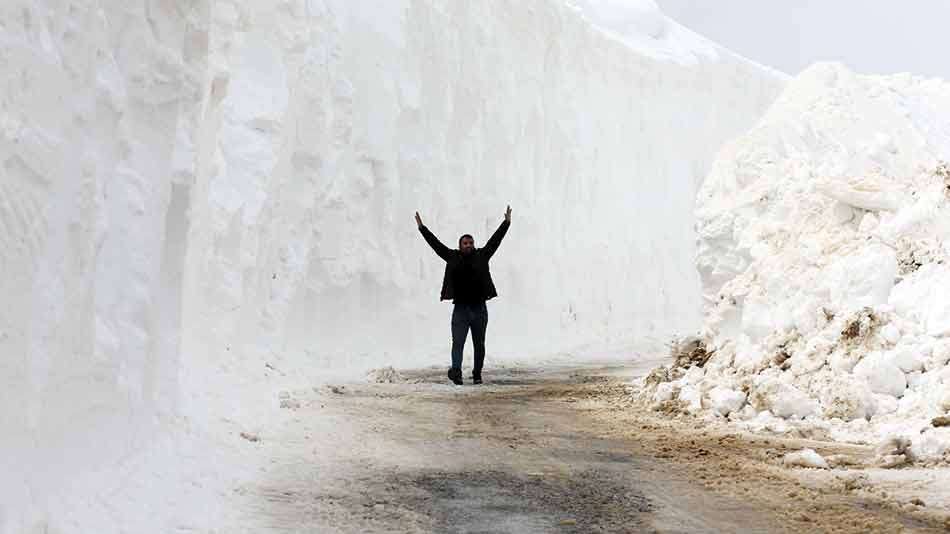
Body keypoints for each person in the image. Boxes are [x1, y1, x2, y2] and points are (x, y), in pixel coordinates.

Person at [415, 206, 511, 385]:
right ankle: (457, 372)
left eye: (470, 243)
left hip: (479, 309)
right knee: (457, 343)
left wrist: (506, 223)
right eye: (465, 243)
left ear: (473, 244)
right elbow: (435, 244)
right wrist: (422, 228)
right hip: (460, 309)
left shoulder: (482, 255)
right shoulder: (452, 256)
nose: (468, 245)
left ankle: (477, 374)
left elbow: (495, 241)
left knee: (479, 344)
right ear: (460, 245)